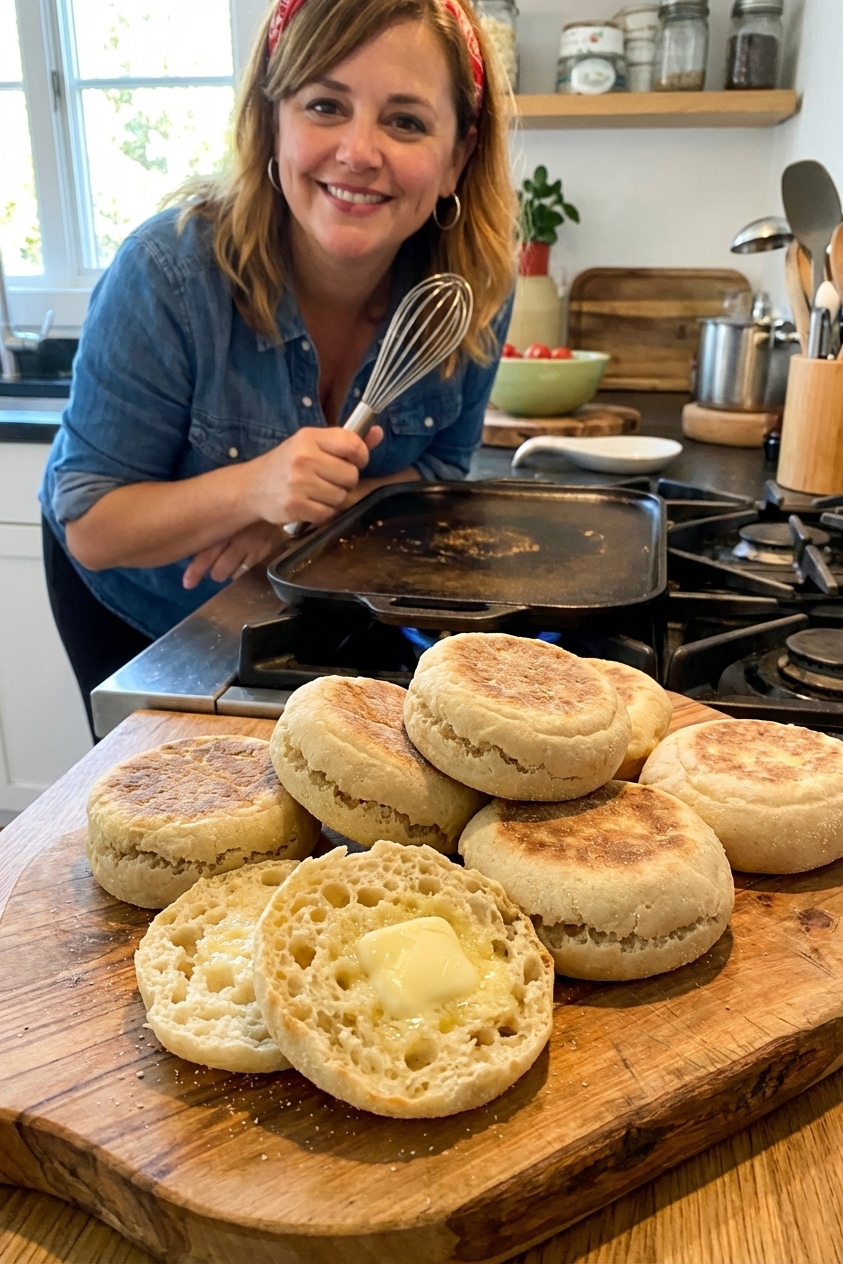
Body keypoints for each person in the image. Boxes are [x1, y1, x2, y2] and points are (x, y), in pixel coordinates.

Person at [39, 0, 517, 735]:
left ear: (457, 156)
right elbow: (95, 526)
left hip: (313, 595)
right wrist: (253, 489)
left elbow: (443, 480)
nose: (359, 151)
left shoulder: (475, 292)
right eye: (325, 104)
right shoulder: (167, 274)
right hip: (144, 607)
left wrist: (301, 523)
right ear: (272, 121)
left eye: (406, 121)